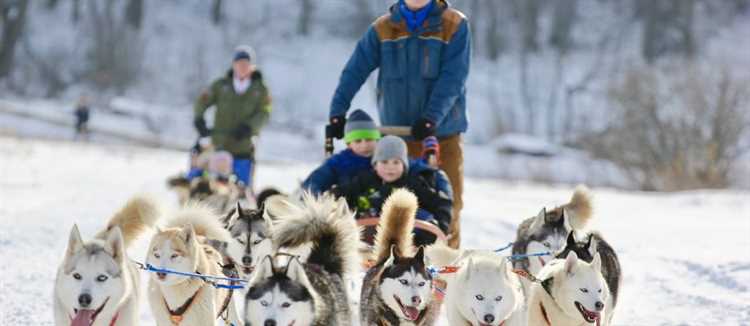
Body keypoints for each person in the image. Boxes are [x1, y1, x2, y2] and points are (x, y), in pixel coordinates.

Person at [327, 0, 470, 248]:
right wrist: (338, 111)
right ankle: (397, 267)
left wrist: (430, 118)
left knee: (448, 205)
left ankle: (446, 268)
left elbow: (453, 78)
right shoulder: (383, 29)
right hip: (396, 141)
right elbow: (355, 70)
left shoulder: (453, 25)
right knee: (395, 209)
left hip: (442, 134)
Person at [333, 135, 452, 246]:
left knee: (422, 214)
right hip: (368, 235)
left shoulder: (412, 184)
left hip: (406, 239)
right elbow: (344, 193)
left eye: (396, 162)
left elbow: (437, 203)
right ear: (375, 165)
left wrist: (440, 225)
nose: (390, 167)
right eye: (384, 162)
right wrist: (334, 198)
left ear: (404, 165)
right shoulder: (365, 180)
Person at [194, 45, 272, 198]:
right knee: (209, 186)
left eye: (246, 64)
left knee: (242, 192)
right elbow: (202, 101)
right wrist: (199, 119)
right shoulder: (221, 85)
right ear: (233, 65)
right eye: (239, 63)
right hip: (219, 145)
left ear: (251, 66)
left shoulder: (260, 90)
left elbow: (265, 112)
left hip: (243, 148)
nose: (242, 67)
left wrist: (249, 127)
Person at [302, 109, 381, 194]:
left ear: (377, 140)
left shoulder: (386, 159)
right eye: (358, 141)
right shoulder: (339, 163)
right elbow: (314, 182)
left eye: (369, 140)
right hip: (347, 204)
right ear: (349, 144)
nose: (364, 145)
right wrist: (316, 196)